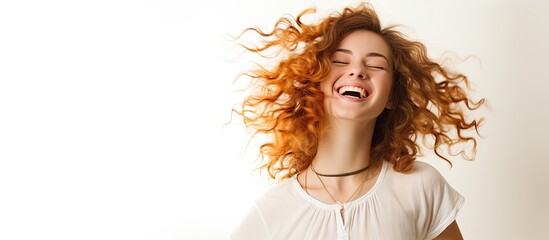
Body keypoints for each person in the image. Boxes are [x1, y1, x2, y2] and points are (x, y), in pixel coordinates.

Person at [230, 3, 484, 240]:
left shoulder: (419, 185)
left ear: (392, 97)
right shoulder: (272, 211)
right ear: (315, 82)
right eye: (340, 61)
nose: (357, 71)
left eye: (375, 65)